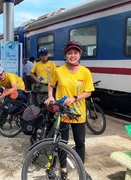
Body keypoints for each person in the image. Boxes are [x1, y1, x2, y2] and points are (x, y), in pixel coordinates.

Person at [44, 40, 94, 180]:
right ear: (65, 56)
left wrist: (75, 98)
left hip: (79, 113)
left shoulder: (85, 72)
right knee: (62, 142)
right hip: (63, 112)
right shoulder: (59, 70)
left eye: (75, 53)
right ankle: (63, 168)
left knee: (80, 142)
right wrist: (50, 96)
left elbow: (88, 92)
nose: (73, 55)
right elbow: (51, 84)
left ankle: (81, 169)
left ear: (80, 55)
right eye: (69, 53)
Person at [0, 66, 26, 131]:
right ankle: (0, 124)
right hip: (9, 89)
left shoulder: (10, 76)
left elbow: (14, 88)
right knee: (5, 105)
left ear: (4, 72)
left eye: (1, 74)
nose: (0, 76)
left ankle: (23, 122)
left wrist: (4, 95)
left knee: (18, 103)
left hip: (19, 88)